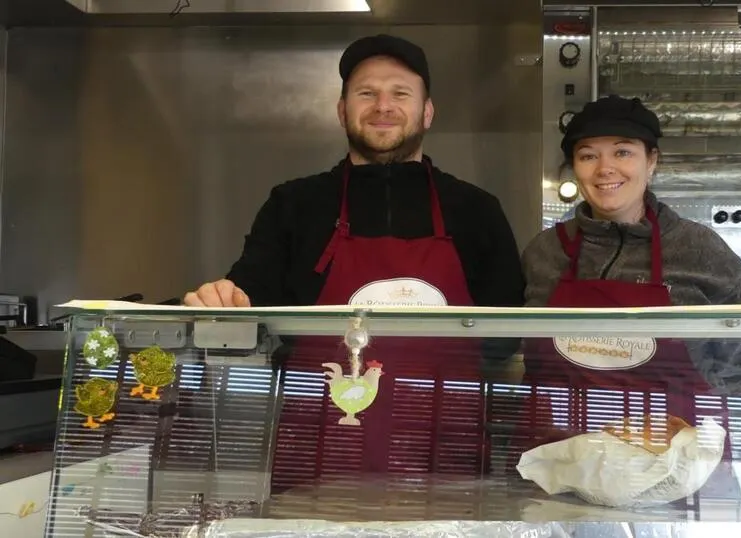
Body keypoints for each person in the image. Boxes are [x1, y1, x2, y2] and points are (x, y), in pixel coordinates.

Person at [182, 34, 525, 480]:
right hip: (319, 457)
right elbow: (251, 301)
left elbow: (504, 339)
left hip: (443, 452)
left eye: (400, 93)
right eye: (367, 93)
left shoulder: (476, 210)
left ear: (427, 112)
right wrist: (223, 299)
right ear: (342, 110)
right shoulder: (295, 204)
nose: (383, 106)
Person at [518, 95, 741, 459]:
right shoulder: (545, 251)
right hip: (560, 462)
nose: (605, 169)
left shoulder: (701, 250)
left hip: (673, 466)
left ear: (651, 161)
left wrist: (686, 420)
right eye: (588, 156)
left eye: (623, 152)